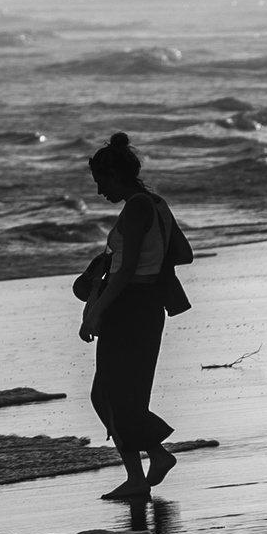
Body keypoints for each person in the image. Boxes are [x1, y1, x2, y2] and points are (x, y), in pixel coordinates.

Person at [78, 133, 193, 500]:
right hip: (145, 304)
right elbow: (184, 253)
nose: (100, 192)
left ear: (115, 174)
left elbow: (125, 272)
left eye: (101, 182)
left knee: (111, 394)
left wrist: (95, 312)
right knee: (114, 395)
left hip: (129, 304)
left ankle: (154, 459)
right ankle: (140, 474)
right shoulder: (156, 204)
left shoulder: (137, 207)